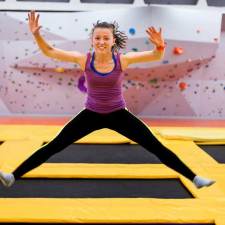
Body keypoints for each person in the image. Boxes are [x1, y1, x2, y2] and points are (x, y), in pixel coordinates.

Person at [0, 10, 215, 189]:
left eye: (105, 38)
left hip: (118, 114)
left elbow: (155, 56)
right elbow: (50, 51)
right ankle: (13, 176)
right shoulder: (82, 59)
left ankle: (195, 178)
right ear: (92, 40)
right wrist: (37, 34)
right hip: (91, 114)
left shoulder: (124, 60)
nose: (101, 41)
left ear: (113, 41)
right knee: (54, 145)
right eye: (97, 38)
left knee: (155, 146)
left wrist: (160, 46)